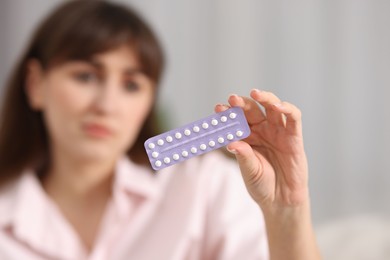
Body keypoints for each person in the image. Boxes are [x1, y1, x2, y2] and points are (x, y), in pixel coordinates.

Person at [0, 1, 321, 259]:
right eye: (85, 76)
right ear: (35, 84)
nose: (107, 105)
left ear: (149, 101)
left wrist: (286, 211)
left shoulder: (205, 187)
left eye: (131, 84)